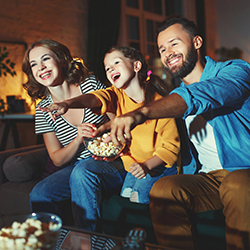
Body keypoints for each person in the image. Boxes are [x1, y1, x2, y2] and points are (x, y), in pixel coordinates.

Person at [91, 16, 250, 250]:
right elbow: (161, 138)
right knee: (163, 190)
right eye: (162, 48)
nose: (167, 53)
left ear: (196, 42)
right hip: (209, 178)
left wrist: (141, 113)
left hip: (243, 171)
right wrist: (117, 147)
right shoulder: (174, 96)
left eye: (174, 43)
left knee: (236, 184)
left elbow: (202, 96)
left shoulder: (235, 71)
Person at [40, 46, 181, 205]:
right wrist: (67, 104)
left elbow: (171, 146)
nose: (110, 69)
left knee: (138, 198)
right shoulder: (116, 95)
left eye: (116, 62)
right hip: (132, 166)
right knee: (126, 196)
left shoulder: (159, 103)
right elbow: (94, 98)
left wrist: (146, 166)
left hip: (158, 165)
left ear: (136, 66)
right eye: (107, 68)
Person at [22, 39, 125, 232]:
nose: (41, 67)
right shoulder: (43, 109)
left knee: (82, 171)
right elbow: (57, 158)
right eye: (34, 64)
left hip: (112, 163)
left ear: (61, 60)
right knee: (39, 193)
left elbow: (119, 121)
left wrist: (107, 140)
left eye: (46, 59)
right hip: (77, 168)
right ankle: (52, 243)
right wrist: (78, 139)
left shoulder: (89, 85)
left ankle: (89, 242)